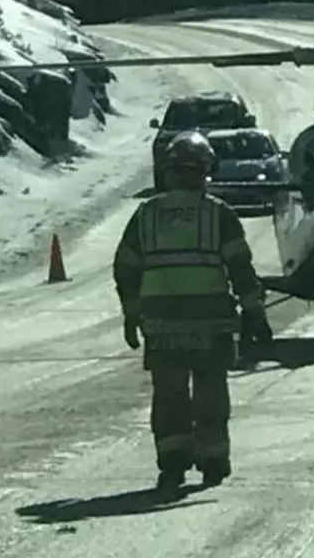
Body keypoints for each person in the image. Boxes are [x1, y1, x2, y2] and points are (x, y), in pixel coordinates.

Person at [113, 129, 272, 492]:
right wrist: (255, 314)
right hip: (211, 325)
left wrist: (131, 314)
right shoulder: (219, 215)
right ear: (205, 172)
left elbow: (125, 266)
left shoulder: (146, 215)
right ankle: (213, 461)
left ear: (167, 171)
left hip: (162, 327)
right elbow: (241, 269)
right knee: (211, 395)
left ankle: (172, 465)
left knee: (169, 397)